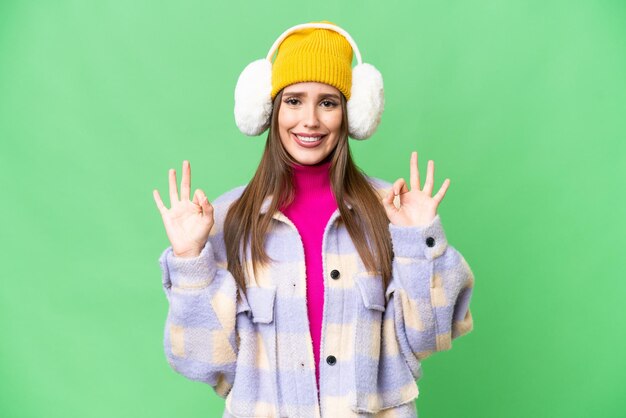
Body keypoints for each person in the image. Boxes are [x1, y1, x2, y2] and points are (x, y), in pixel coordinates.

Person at [153, 22, 474, 418]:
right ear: (269, 109)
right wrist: (189, 262)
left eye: (327, 102)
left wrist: (420, 241)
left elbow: (431, 335)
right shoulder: (226, 220)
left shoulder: (392, 211)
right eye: (293, 101)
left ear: (351, 112)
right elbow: (202, 362)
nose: (310, 120)